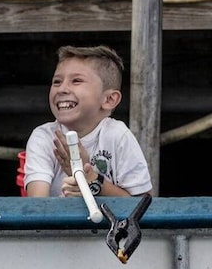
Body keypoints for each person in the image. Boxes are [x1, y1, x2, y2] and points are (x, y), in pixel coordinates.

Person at [23, 45, 152, 198]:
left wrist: (91, 179)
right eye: (57, 82)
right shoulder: (42, 137)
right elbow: (37, 205)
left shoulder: (119, 136)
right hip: (58, 221)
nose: (62, 89)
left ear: (109, 99)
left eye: (76, 81)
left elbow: (142, 202)